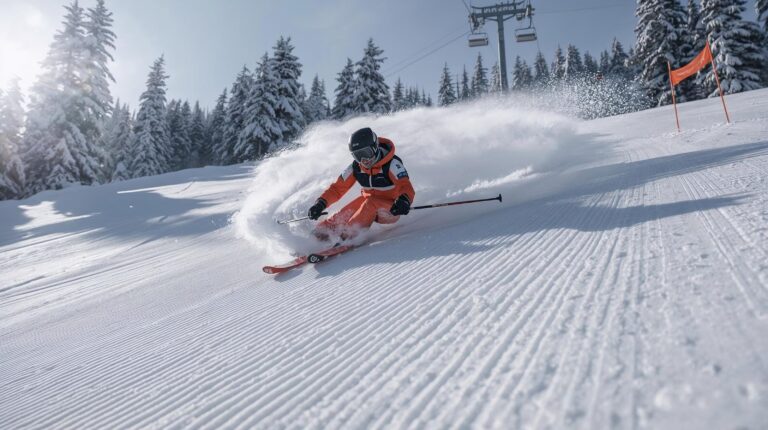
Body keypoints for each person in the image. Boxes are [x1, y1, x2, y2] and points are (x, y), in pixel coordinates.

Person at [307, 127, 415, 242]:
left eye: (366, 153)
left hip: (391, 209)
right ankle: (321, 233)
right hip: (368, 205)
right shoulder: (356, 167)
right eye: (358, 156)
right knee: (353, 207)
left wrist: (404, 200)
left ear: (375, 147)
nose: (364, 160)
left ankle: (347, 237)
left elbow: (405, 185)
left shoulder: (392, 164)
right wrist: (320, 204)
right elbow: (337, 188)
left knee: (369, 203)